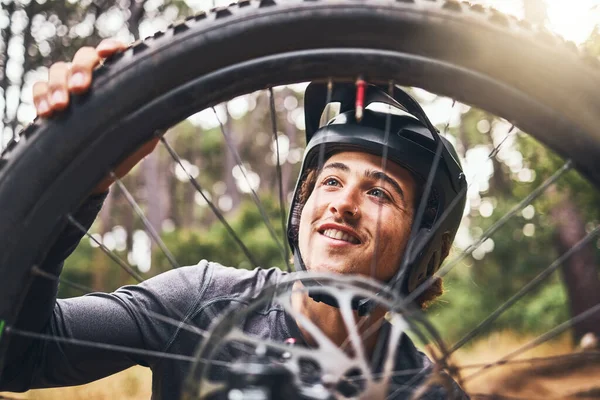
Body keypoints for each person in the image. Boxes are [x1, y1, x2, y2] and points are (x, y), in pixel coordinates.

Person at [0, 40, 468, 399]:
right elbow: (19, 356)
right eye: (329, 181)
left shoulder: (426, 390)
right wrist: (72, 188)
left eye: (379, 192)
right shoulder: (203, 301)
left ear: (423, 243)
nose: (341, 203)